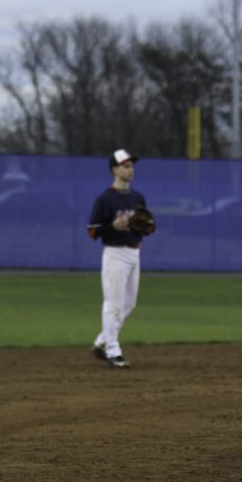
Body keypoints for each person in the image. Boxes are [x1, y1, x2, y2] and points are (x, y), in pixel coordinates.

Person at [87, 149, 154, 369]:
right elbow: (93, 231)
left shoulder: (137, 197)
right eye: (125, 166)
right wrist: (111, 227)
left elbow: (147, 226)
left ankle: (101, 342)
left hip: (135, 252)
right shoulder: (105, 199)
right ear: (114, 169)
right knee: (113, 303)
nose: (130, 169)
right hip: (115, 254)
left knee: (129, 304)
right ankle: (113, 351)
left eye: (131, 166)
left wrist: (146, 226)